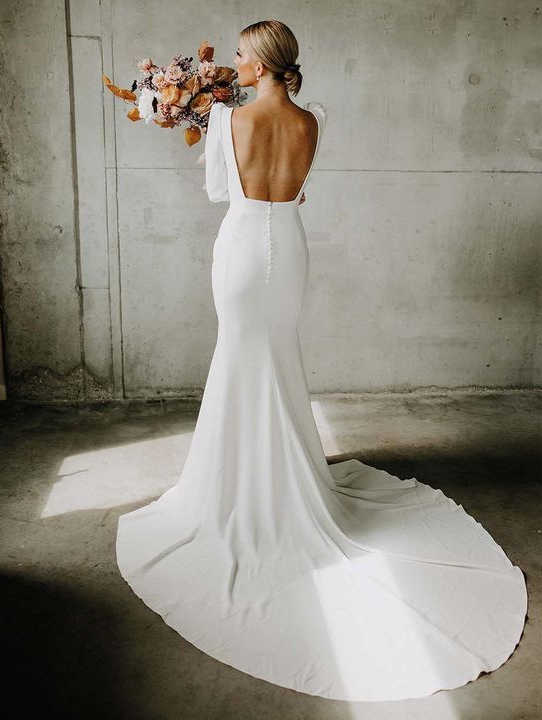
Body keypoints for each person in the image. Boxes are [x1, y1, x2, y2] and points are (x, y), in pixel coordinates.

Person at [116, 20, 528, 702]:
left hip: (245, 249)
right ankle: (281, 484)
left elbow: (220, 192)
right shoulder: (314, 119)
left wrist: (204, 122)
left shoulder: (227, 117)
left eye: (243, 54)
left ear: (263, 62)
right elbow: (297, 191)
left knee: (241, 359)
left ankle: (235, 494)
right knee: (276, 359)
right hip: (291, 250)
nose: (236, 62)